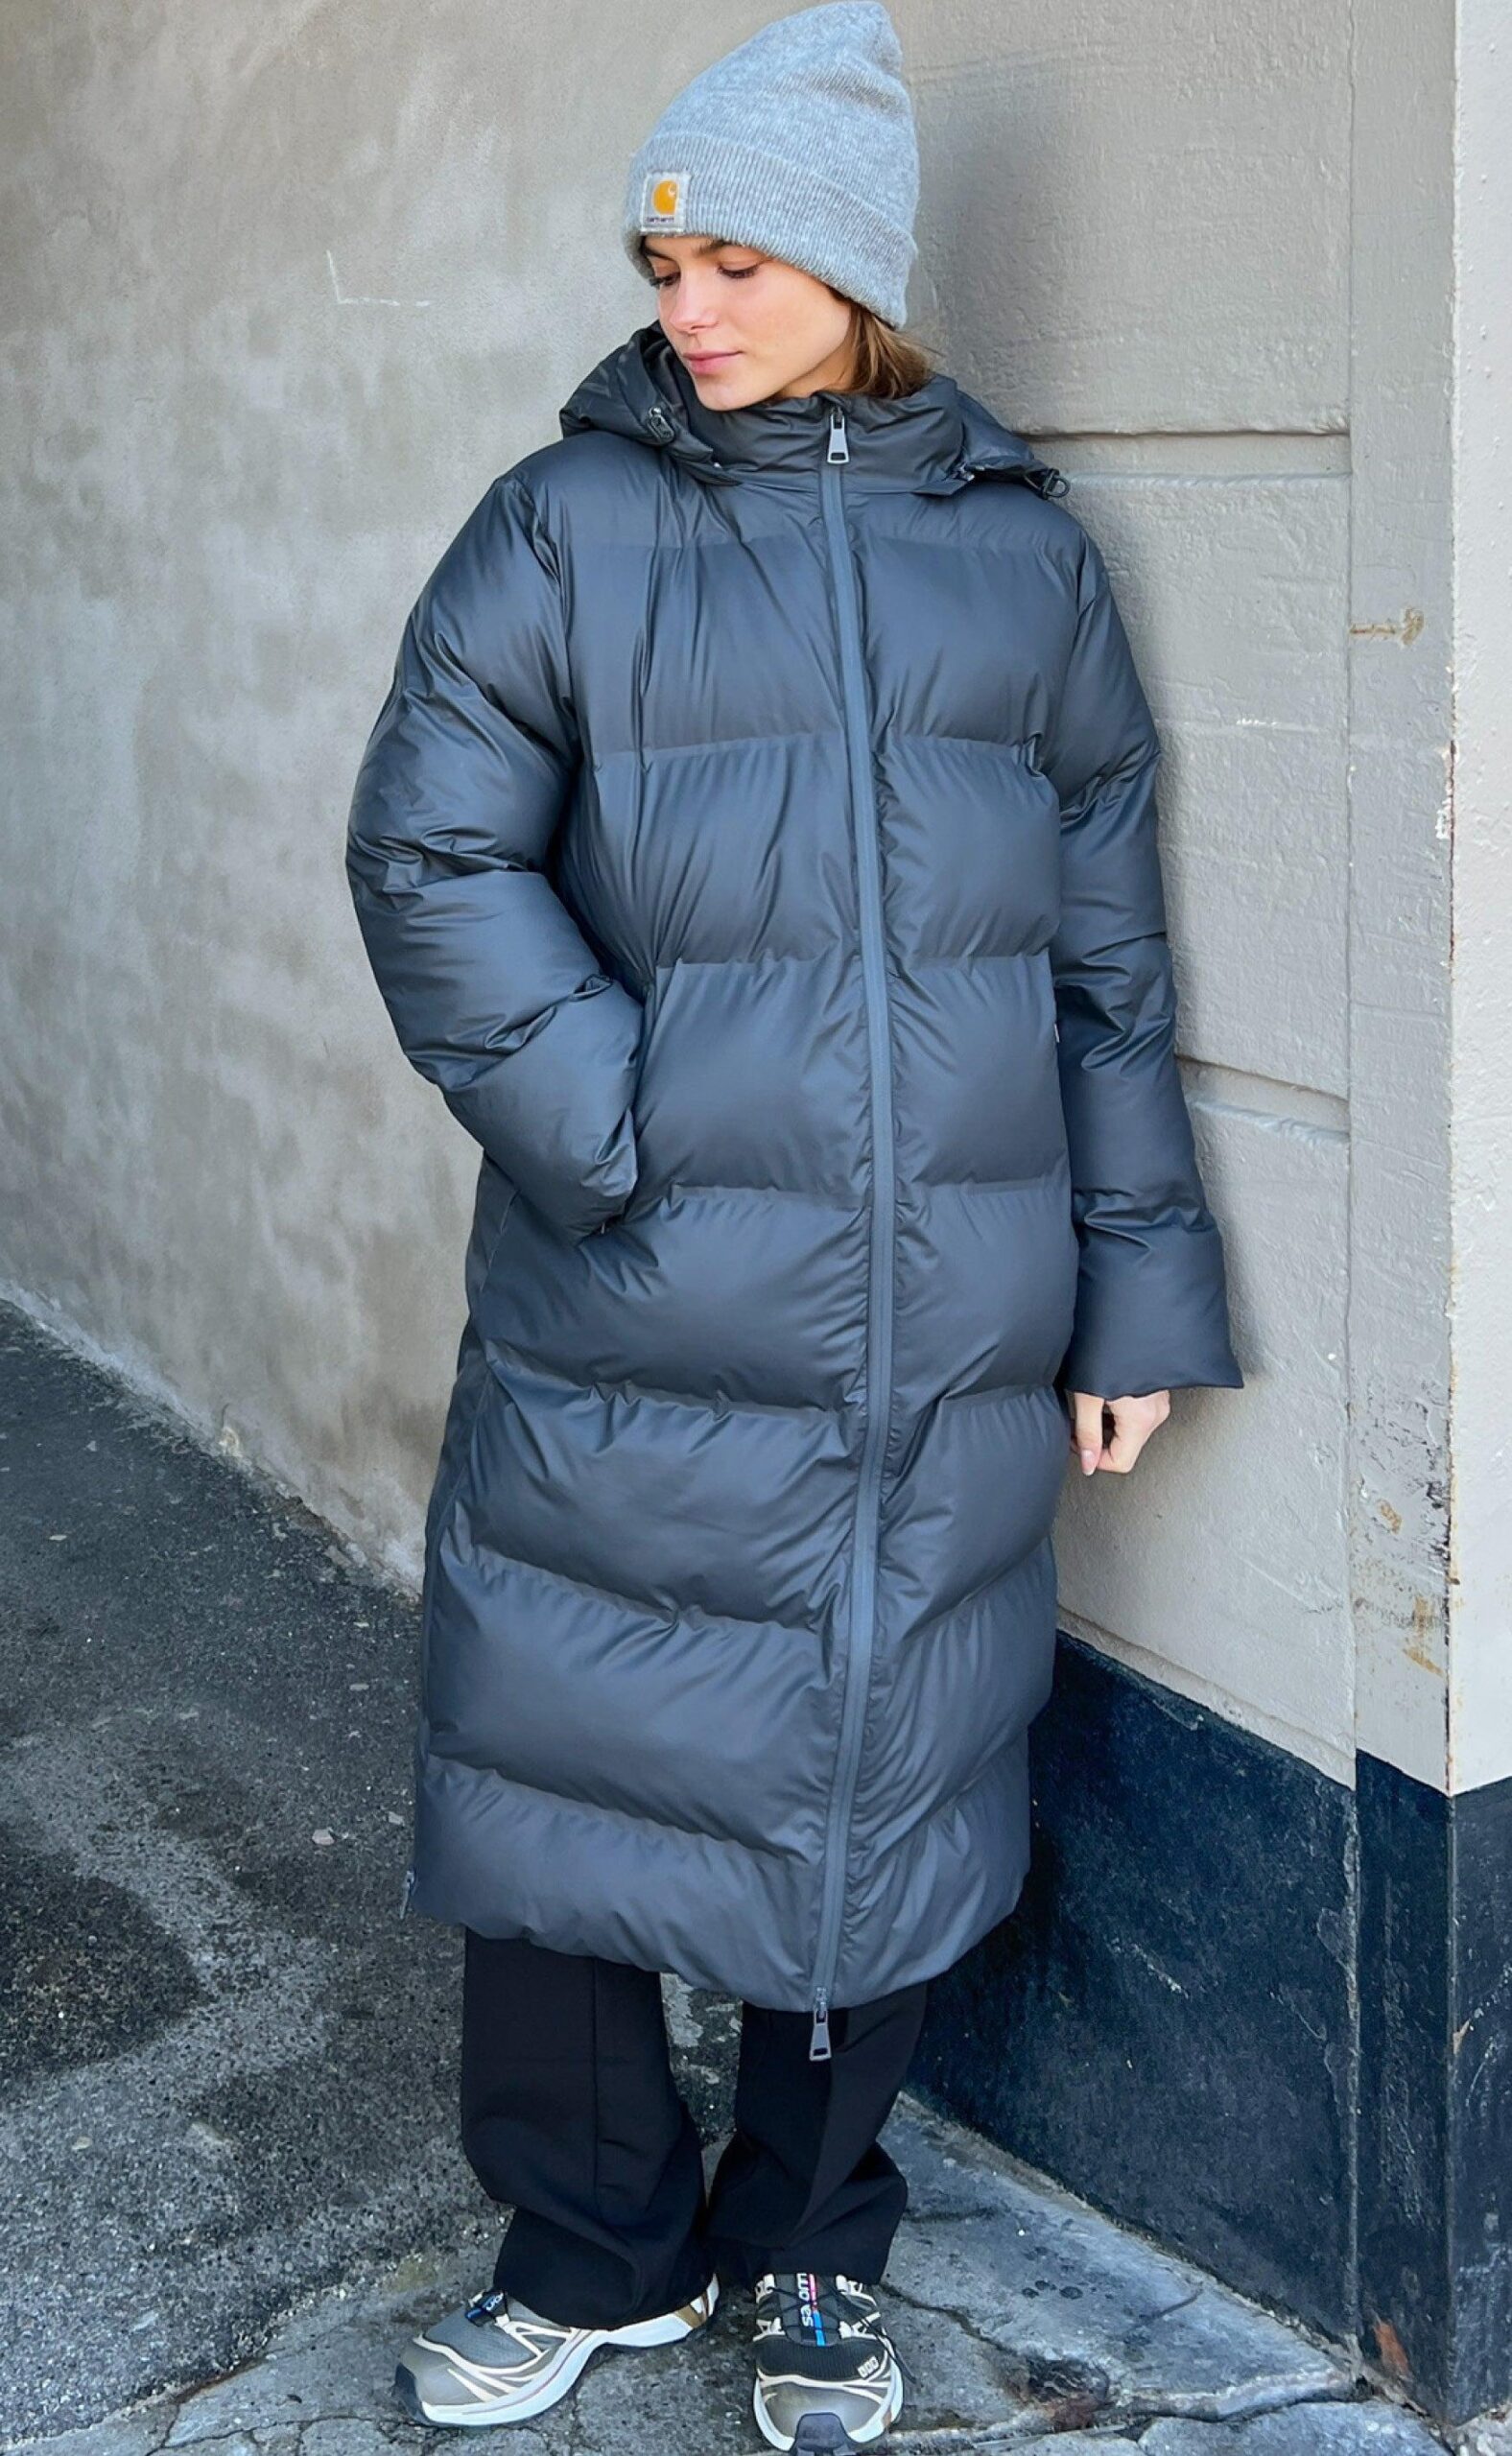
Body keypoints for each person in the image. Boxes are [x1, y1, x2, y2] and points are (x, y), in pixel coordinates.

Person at [343, 3, 1244, 2446]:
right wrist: (620, 1128)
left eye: (736, 260)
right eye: (664, 264)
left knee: (883, 1770)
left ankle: (815, 2246)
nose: (689, 307)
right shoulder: (565, 525)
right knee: (560, 1759)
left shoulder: (1021, 563)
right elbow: (428, 849)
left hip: (947, 1318)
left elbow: (1101, 962)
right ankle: (588, 2246)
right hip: (633, 1290)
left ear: (855, 268)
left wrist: (1133, 1292)